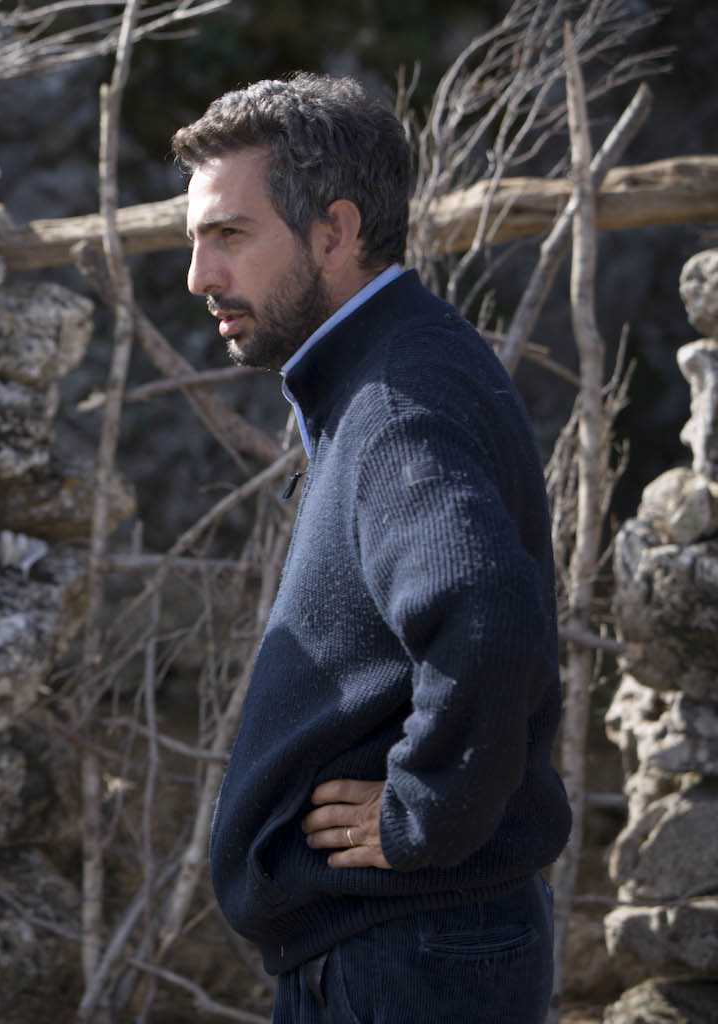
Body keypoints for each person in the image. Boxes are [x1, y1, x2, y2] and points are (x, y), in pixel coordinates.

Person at [172, 74, 571, 1023]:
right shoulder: (396, 366)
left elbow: (486, 614)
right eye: (195, 239)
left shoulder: (396, 404)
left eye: (229, 234)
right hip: (411, 944)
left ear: (334, 233)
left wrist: (422, 811)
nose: (199, 276)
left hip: (407, 954)